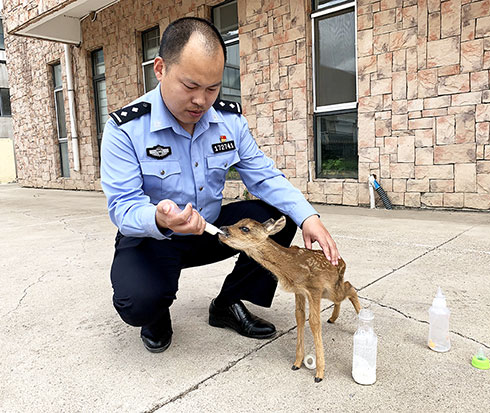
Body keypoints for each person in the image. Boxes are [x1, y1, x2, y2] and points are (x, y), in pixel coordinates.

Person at [101, 17, 341, 353]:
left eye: (212, 88)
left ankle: (228, 303)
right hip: (153, 236)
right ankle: (156, 313)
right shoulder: (125, 129)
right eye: (190, 86)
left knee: (276, 216)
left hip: (211, 231)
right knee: (139, 302)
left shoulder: (229, 121)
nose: (201, 100)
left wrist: (309, 217)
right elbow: (122, 207)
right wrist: (160, 217)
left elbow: (264, 175)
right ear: (160, 68)